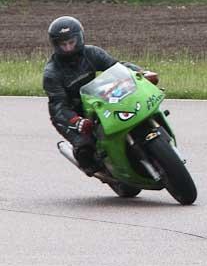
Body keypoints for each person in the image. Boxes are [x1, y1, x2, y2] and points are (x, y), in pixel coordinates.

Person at [42, 16, 159, 175]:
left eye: (71, 42)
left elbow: (118, 67)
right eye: (63, 44)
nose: (68, 48)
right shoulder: (52, 73)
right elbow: (58, 106)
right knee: (86, 150)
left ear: (80, 38)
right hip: (73, 113)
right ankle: (104, 171)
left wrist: (141, 73)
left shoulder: (92, 53)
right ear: (56, 45)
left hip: (98, 101)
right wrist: (76, 121)